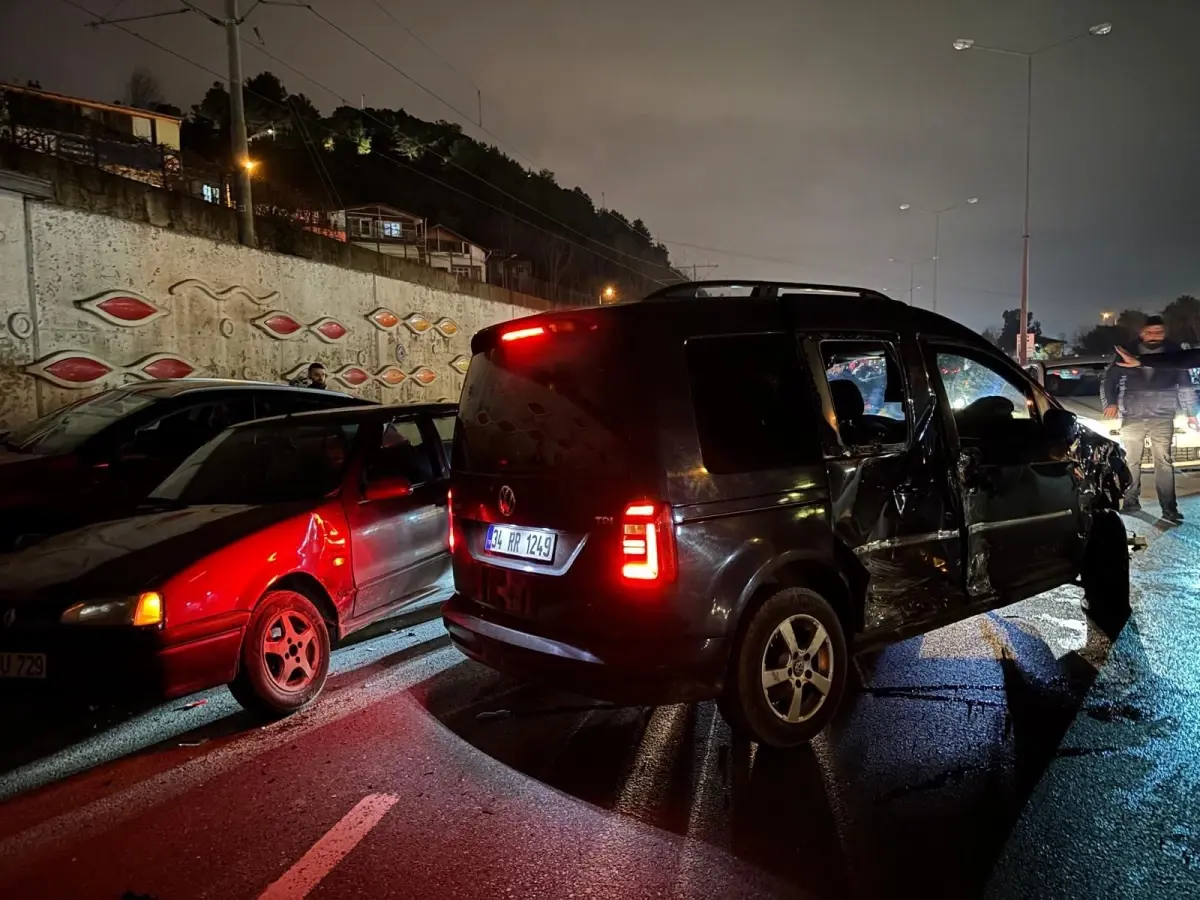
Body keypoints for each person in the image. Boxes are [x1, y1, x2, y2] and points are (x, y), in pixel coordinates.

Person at [1102, 315, 1198, 523]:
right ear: (1142, 333)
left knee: (1163, 462)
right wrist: (1111, 402)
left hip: (1163, 414)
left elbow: (1185, 384)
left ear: (1165, 333)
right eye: (1150, 332)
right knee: (1131, 460)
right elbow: (1110, 379)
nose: (1155, 336)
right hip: (1132, 413)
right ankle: (1130, 501)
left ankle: (1169, 508)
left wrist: (1191, 412)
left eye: (1159, 332)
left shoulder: (1174, 353)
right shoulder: (1126, 351)